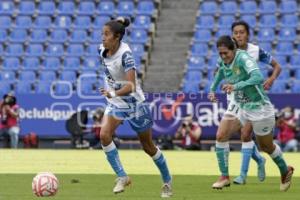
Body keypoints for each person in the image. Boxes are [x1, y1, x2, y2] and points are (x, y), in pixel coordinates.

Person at [208, 35, 294, 191]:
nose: (222, 56)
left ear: (234, 50)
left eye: (225, 53)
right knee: (221, 135)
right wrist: (212, 89)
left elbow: (258, 77)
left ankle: (285, 170)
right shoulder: (224, 60)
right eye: (220, 53)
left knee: (266, 146)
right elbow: (221, 71)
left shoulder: (244, 58)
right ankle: (224, 176)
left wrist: (237, 86)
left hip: (259, 107)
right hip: (240, 106)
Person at [98, 17, 172, 197]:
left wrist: (113, 93)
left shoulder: (126, 56)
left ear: (117, 38)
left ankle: (167, 181)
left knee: (148, 147)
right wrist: (121, 21)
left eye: (106, 35)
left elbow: (131, 86)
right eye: (103, 34)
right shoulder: (102, 50)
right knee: (104, 135)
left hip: (134, 104)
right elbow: (119, 24)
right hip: (116, 103)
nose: (103, 38)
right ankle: (122, 177)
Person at [221, 21, 282, 185]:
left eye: (242, 32)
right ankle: (260, 161)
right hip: (235, 99)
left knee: (246, 134)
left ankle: (242, 175)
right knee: (239, 135)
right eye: (235, 32)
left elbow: (277, 66)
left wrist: (271, 78)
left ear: (248, 34)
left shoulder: (256, 51)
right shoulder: (229, 51)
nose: (238, 35)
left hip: (252, 100)